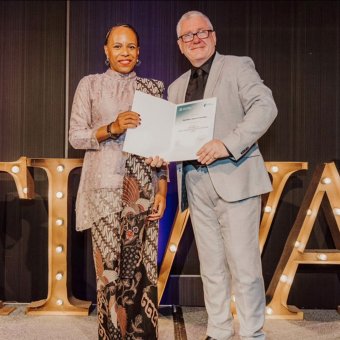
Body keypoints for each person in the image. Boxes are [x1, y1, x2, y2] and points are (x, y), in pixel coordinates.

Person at [169, 10, 278, 340]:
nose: (196, 38)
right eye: (188, 36)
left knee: (245, 268)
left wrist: (226, 144)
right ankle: (217, 331)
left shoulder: (237, 66)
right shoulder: (175, 88)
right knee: (211, 267)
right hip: (194, 181)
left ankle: (252, 334)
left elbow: (265, 107)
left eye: (202, 32)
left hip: (235, 176)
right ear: (180, 46)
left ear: (214, 37)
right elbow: (174, 138)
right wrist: (164, 150)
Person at [69, 24, 167, 340]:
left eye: (131, 47)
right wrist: (112, 127)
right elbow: (75, 136)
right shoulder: (91, 85)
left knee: (142, 273)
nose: (124, 53)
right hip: (103, 189)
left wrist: (162, 188)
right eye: (118, 46)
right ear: (106, 50)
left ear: (139, 53)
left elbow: (163, 147)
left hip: (142, 191)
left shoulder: (153, 88)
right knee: (109, 274)